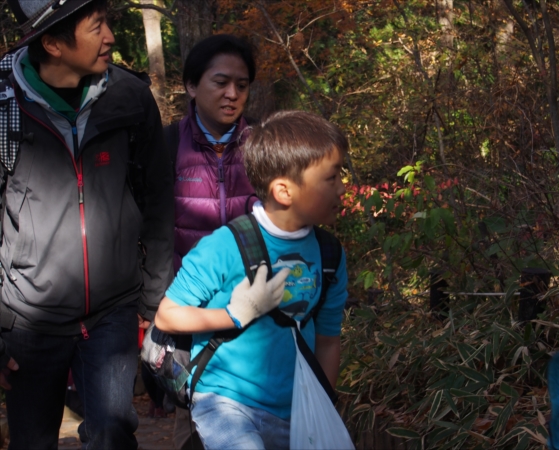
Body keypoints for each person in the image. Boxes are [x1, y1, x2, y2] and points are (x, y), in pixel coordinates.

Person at [0, 1, 174, 448]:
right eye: (97, 27)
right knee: (32, 440)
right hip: (28, 316)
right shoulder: (4, 106)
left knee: (113, 435)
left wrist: (155, 302)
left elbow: (157, 200)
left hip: (112, 310)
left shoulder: (127, 97)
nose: (111, 36)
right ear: (52, 43)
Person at [155, 110, 349, 449]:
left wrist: (324, 405)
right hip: (225, 401)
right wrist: (233, 315)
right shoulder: (224, 246)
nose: (342, 188)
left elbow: (329, 340)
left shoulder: (330, 254)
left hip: (296, 409)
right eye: (331, 178)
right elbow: (167, 315)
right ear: (284, 191)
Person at [166, 34, 258, 449]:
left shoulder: (264, 145)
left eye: (241, 84)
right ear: (191, 85)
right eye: (220, 82)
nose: (232, 94)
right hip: (187, 311)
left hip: (255, 306)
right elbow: (148, 227)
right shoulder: (165, 145)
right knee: (200, 424)